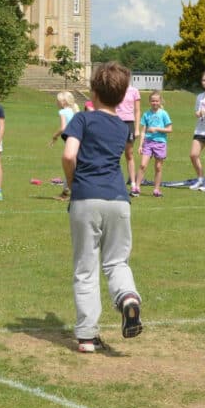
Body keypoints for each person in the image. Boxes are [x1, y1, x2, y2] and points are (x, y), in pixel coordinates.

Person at [61, 62, 143, 353]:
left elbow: (69, 155)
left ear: (93, 92)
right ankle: (128, 299)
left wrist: (72, 184)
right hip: (118, 200)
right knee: (117, 262)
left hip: (85, 198)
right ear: (123, 97)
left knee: (86, 267)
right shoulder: (123, 129)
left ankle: (86, 335)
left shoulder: (82, 120)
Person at [133, 91, 172, 198]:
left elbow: (169, 129)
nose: (155, 103)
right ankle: (136, 188)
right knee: (142, 165)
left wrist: (156, 129)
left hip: (160, 143)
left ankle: (156, 189)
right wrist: (140, 145)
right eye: (153, 101)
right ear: (150, 101)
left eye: (157, 101)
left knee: (158, 167)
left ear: (160, 101)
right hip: (148, 143)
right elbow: (143, 131)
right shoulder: (146, 114)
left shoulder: (164, 113)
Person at [49, 91, 80, 200]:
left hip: (72, 141)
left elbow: (63, 128)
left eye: (57, 101)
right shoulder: (74, 110)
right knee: (74, 166)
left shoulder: (63, 111)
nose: (56, 103)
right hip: (79, 140)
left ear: (63, 102)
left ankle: (68, 193)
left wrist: (55, 136)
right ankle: (66, 192)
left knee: (70, 166)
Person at [115, 82, 141, 196]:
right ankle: (115, 184)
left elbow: (137, 110)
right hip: (116, 123)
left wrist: (137, 128)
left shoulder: (134, 91)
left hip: (129, 124)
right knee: (115, 154)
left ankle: (133, 184)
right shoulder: (115, 89)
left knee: (129, 154)